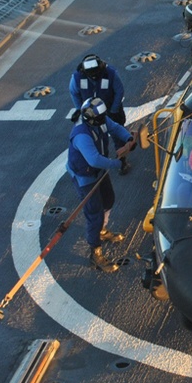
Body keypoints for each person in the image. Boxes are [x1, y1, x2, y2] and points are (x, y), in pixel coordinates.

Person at [66, 98, 135, 272]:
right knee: (94, 213)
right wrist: (117, 163)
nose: (105, 120)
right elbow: (94, 160)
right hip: (86, 176)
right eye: (102, 118)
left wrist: (128, 138)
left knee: (109, 199)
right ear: (92, 118)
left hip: (98, 171)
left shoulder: (100, 120)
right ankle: (95, 253)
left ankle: (101, 230)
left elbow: (115, 127)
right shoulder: (82, 135)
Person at [69, 54, 130, 174]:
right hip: (90, 115)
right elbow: (73, 92)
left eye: (96, 75)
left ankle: (122, 160)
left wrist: (114, 109)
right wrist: (80, 109)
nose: (94, 78)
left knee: (118, 135)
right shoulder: (77, 78)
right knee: (93, 138)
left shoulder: (111, 74)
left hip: (111, 111)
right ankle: (100, 159)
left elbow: (119, 91)